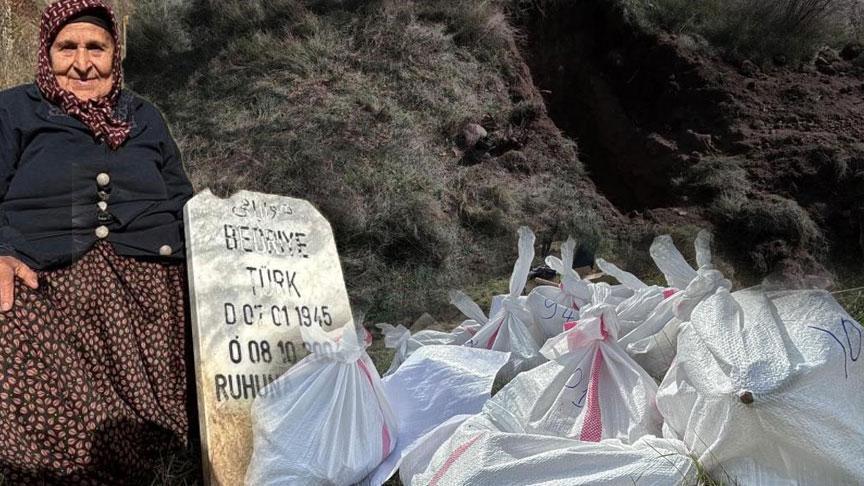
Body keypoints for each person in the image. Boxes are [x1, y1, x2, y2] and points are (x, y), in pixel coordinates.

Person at [0, 0, 194, 483]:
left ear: (115, 53)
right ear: (47, 52)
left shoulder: (144, 116)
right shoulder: (14, 110)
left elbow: (182, 198)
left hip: (155, 276)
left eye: (96, 48)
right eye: (68, 47)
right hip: (43, 272)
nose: (83, 63)